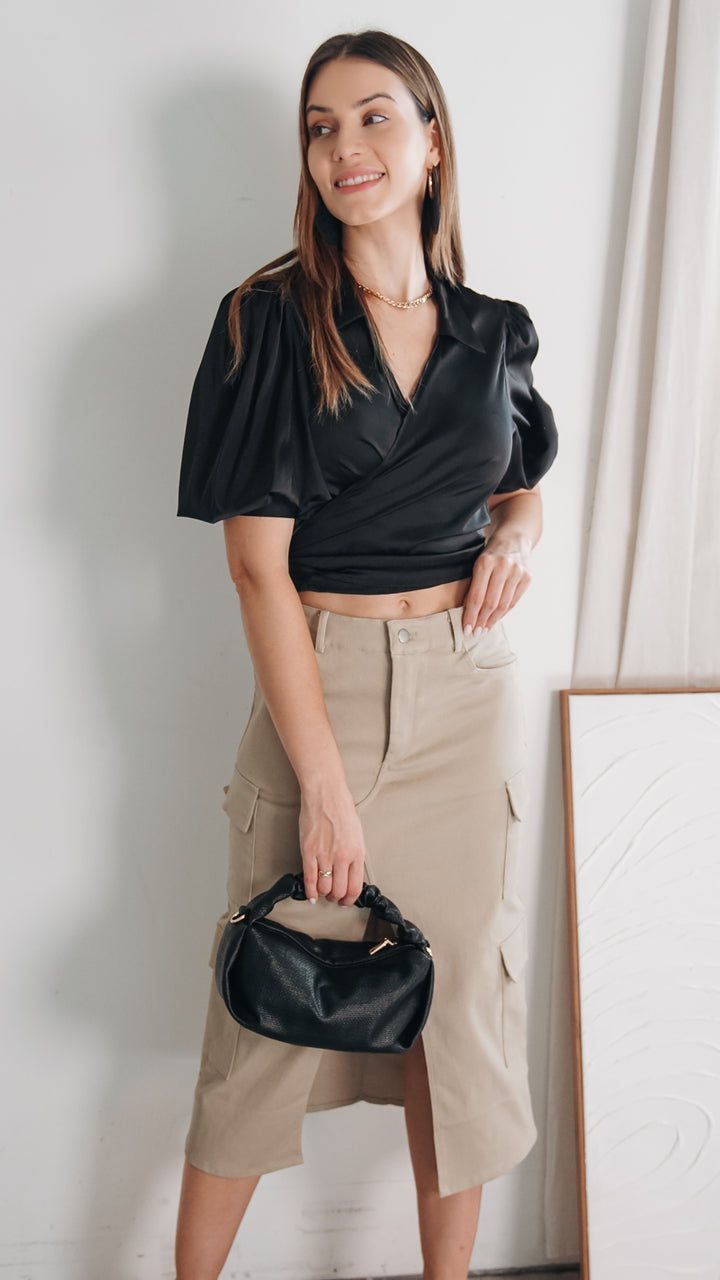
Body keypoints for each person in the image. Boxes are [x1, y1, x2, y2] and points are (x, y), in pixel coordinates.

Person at [173, 28, 558, 1280]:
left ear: (433, 141)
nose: (346, 147)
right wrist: (325, 786)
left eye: (376, 116)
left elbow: (520, 475)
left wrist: (519, 529)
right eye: (322, 126)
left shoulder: (492, 331)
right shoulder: (268, 321)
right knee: (262, 1024)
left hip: (465, 691)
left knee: (465, 1028)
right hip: (320, 679)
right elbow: (256, 568)